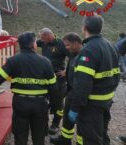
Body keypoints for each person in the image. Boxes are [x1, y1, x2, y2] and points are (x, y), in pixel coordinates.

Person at [0, 32, 60, 145]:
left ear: (20, 45)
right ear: (34, 45)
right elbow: (53, 88)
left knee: (20, 137)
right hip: (40, 105)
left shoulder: (13, 60)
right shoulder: (46, 62)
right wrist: (55, 107)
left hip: (20, 104)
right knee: (39, 138)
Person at [68, 15, 120, 145]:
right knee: (102, 134)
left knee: (91, 139)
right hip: (106, 101)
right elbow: (116, 74)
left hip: (91, 105)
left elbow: (82, 86)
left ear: (84, 28)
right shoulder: (111, 46)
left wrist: (75, 108)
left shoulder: (88, 50)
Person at [50, 33, 82, 145]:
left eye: (68, 45)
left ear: (76, 43)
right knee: (67, 119)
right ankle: (65, 139)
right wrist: (67, 72)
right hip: (71, 91)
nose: (66, 48)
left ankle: (80, 142)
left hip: (78, 94)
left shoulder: (84, 56)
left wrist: (78, 101)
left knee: (81, 122)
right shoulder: (74, 54)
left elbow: (84, 82)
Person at [37, 28, 68, 135]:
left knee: (59, 102)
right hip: (45, 77)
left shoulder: (61, 44)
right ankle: (42, 123)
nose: (42, 41)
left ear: (49, 35)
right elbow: (30, 43)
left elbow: (75, 56)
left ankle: (55, 124)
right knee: (43, 99)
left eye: (43, 38)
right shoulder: (43, 41)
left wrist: (67, 71)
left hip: (58, 78)